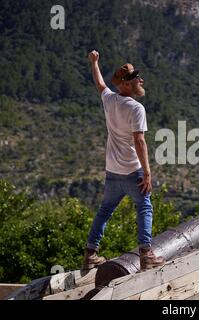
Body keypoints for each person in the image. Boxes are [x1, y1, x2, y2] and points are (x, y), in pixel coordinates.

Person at [82, 50, 165, 271]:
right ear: (127, 84)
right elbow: (140, 142)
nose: (141, 80)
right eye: (136, 77)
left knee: (105, 210)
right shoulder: (136, 108)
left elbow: (99, 84)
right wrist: (147, 173)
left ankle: (90, 254)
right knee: (144, 208)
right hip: (132, 171)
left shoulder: (109, 100)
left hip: (112, 171)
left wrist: (94, 62)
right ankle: (146, 255)